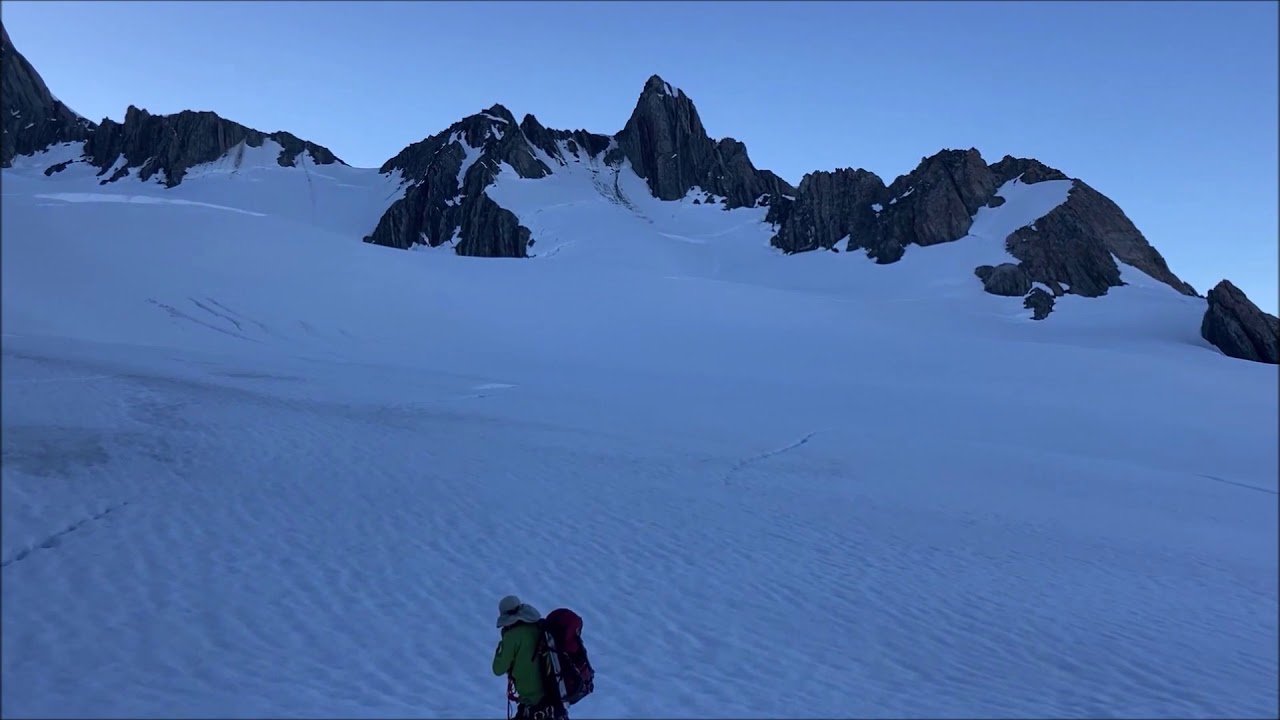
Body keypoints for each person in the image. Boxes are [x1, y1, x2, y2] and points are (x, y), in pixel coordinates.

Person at [492, 595, 566, 720]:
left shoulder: (512, 637)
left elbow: (497, 668)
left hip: (532, 704)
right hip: (554, 701)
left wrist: (502, 644)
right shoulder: (539, 627)